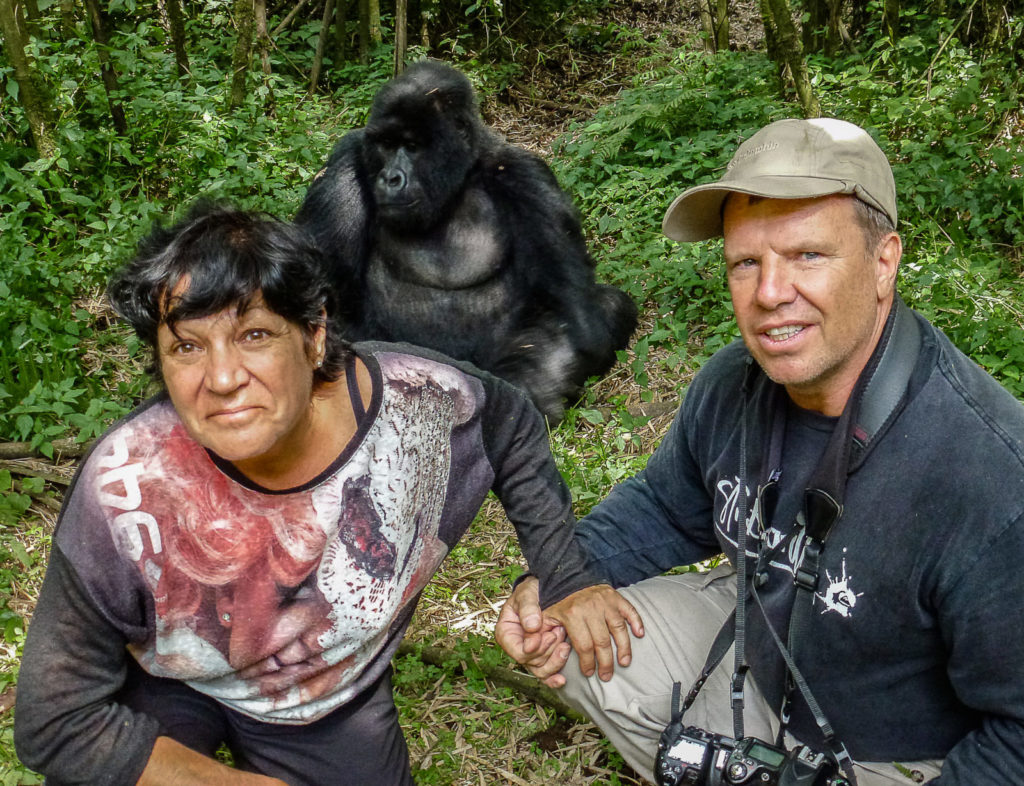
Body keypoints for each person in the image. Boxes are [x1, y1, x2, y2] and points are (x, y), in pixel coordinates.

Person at [13, 203, 630, 786]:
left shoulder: (416, 405)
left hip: (322, 693)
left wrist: (565, 577)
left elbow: (512, 424)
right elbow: (54, 720)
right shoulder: (129, 484)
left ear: (313, 336)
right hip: (164, 679)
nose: (221, 378)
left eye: (254, 334)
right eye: (187, 346)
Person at [496, 118, 1024, 785]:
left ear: (883, 261)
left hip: (902, 751)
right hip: (768, 655)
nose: (770, 293)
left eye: (808, 255)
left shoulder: (989, 474)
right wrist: (559, 577)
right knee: (563, 633)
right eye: (746, 262)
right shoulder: (732, 384)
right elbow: (664, 507)